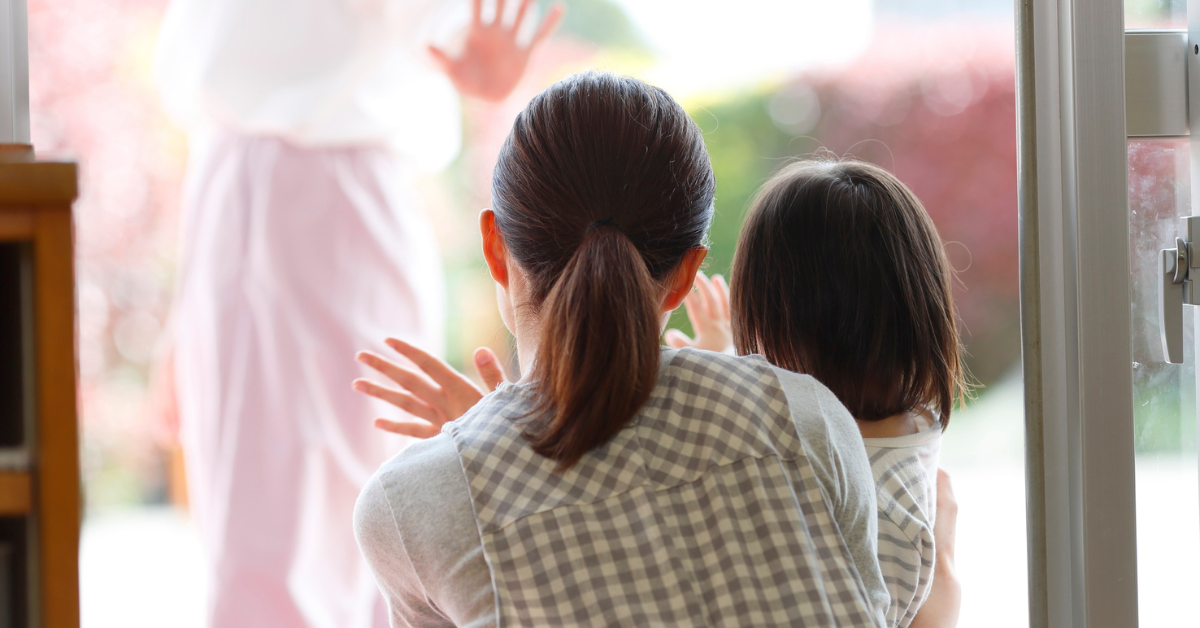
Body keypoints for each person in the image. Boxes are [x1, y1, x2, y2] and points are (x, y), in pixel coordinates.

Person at [351, 72, 891, 627]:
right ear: (685, 276)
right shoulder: (808, 418)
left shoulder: (413, 503)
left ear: (494, 248)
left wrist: (468, 461)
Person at [150, 1, 562, 627]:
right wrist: (185, 317)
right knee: (297, 522)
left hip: (317, 178)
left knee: (341, 522)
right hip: (260, 179)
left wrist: (473, 56)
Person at [664, 159, 968, 627]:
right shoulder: (910, 428)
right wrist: (723, 354)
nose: (754, 365)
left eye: (761, 334)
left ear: (789, 329)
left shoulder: (852, 499)